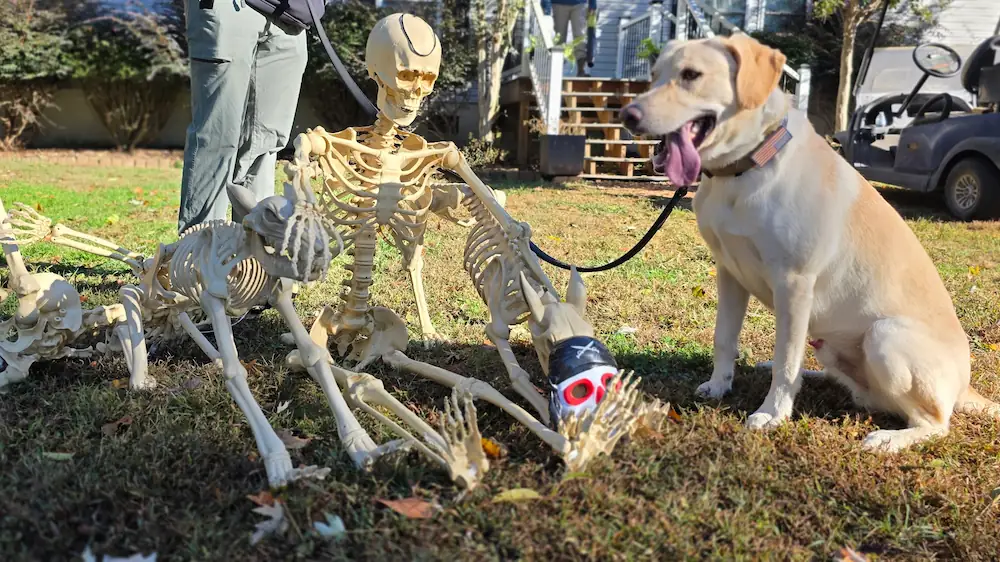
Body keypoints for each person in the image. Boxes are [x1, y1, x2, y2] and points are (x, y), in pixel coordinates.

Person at [177, 0, 309, 235]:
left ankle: (251, 255)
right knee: (217, 135)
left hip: (291, 16)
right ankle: (201, 253)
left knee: (265, 143)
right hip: (230, 7)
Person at [541, 0, 597, 77]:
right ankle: (556, 72)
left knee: (580, 37)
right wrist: (545, 6)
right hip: (558, 3)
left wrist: (592, 4)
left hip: (580, 4)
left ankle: (581, 70)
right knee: (559, 38)